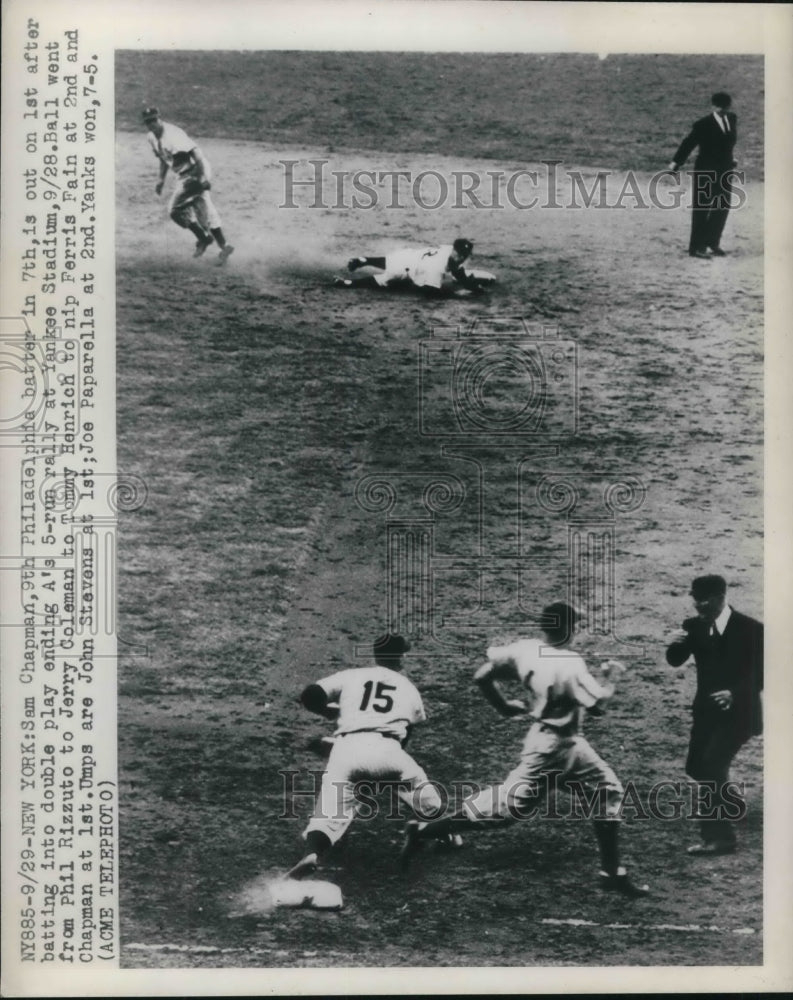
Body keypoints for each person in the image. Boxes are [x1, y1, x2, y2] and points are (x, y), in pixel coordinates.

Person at [400, 603, 649, 898]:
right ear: (568, 629)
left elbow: (483, 676)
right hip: (552, 750)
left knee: (607, 791)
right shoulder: (569, 663)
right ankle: (424, 829)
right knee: (507, 810)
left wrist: (504, 706)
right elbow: (598, 706)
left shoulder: (526, 650)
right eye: (576, 625)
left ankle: (612, 873)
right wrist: (611, 678)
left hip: (561, 743)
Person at [286, 634, 459, 880]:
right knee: (424, 794)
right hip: (388, 749)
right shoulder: (409, 688)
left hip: (346, 749)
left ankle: (312, 853)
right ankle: (447, 835)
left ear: (376, 654)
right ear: (401, 658)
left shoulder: (351, 676)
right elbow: (406, 736)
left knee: (326, 815)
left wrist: (331, 713)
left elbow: (310, 695)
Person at [665, 574, 763, 855]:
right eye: (695, 598)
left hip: (741, 713)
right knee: (695, 767)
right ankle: (730, 804)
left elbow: (766, 671)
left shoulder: (750, 629)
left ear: (721, 597)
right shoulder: (693, 626)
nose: (698, 604)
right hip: (707, 713)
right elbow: (675, 659)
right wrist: (675, 642)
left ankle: (719, 838)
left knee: (711, 766)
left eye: (704, 599)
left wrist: (735, 693)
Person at [142, 107, 234, 265]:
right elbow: (164, 159)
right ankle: (223, 246)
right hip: (185, 174)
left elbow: (196, 154)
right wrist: (161, 180)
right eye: (148, 122)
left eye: (154, 120)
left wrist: (203, 177)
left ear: (160, 119)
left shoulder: (173, 135)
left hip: (194, 172)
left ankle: (203, 238)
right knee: (204, 209)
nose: (152, 124)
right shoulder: (151, 137)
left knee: (175, 210)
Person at [668, 92, 738, 259]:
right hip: (705, 169)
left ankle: (712, 242)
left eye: (725, 108)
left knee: (722, 205)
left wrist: (731, 157)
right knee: (702, 207)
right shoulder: (703, 124)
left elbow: (727, 142)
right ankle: (696, 247)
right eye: (719, 108)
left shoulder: (732, 118)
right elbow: (688, 143)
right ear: (713, 106)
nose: (723, 111)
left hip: (724, 169)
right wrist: (675, 163)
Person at [333, 238, 490, 294]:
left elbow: (458, 271)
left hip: (409, 255)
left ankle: (364, 260)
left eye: (464, 255)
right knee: (383, 281)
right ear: (454, 250)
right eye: (460, 254)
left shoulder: (448, 250)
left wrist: (473, 287)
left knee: (389, 260)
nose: (462, 258)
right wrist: (456, 294)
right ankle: (347, 283)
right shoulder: (437, 267)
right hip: (404, 270)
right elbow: (431, 292)